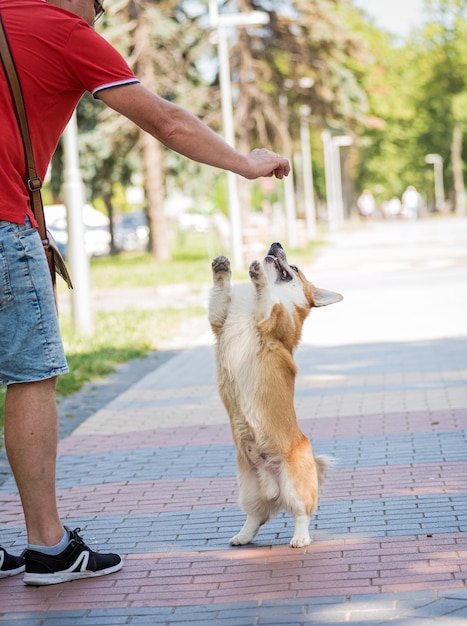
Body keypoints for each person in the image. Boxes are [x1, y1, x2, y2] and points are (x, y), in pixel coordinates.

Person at [0, 0, 290, 585]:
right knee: (30, 377)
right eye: (100, 4)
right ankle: (49, 547)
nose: (100, 13)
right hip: (6, 221)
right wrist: (244, 162)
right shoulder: (62, 30)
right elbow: (167, 121)